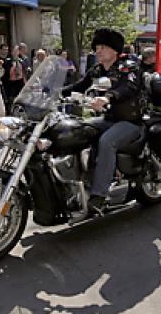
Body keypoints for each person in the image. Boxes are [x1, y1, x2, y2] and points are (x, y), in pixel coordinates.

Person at [61, 28, 144, 213]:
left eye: (103, 47)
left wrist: (108, 97)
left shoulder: (128, 66)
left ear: (114, 50)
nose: (98, 51)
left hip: (130, 122)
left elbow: (128, 87)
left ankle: (99, 195)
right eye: (97, 47)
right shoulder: (97, 69)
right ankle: (82, 184)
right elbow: (80, 86)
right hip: (107, 119)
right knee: (78, 130)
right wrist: (54, 92)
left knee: (107, 141)